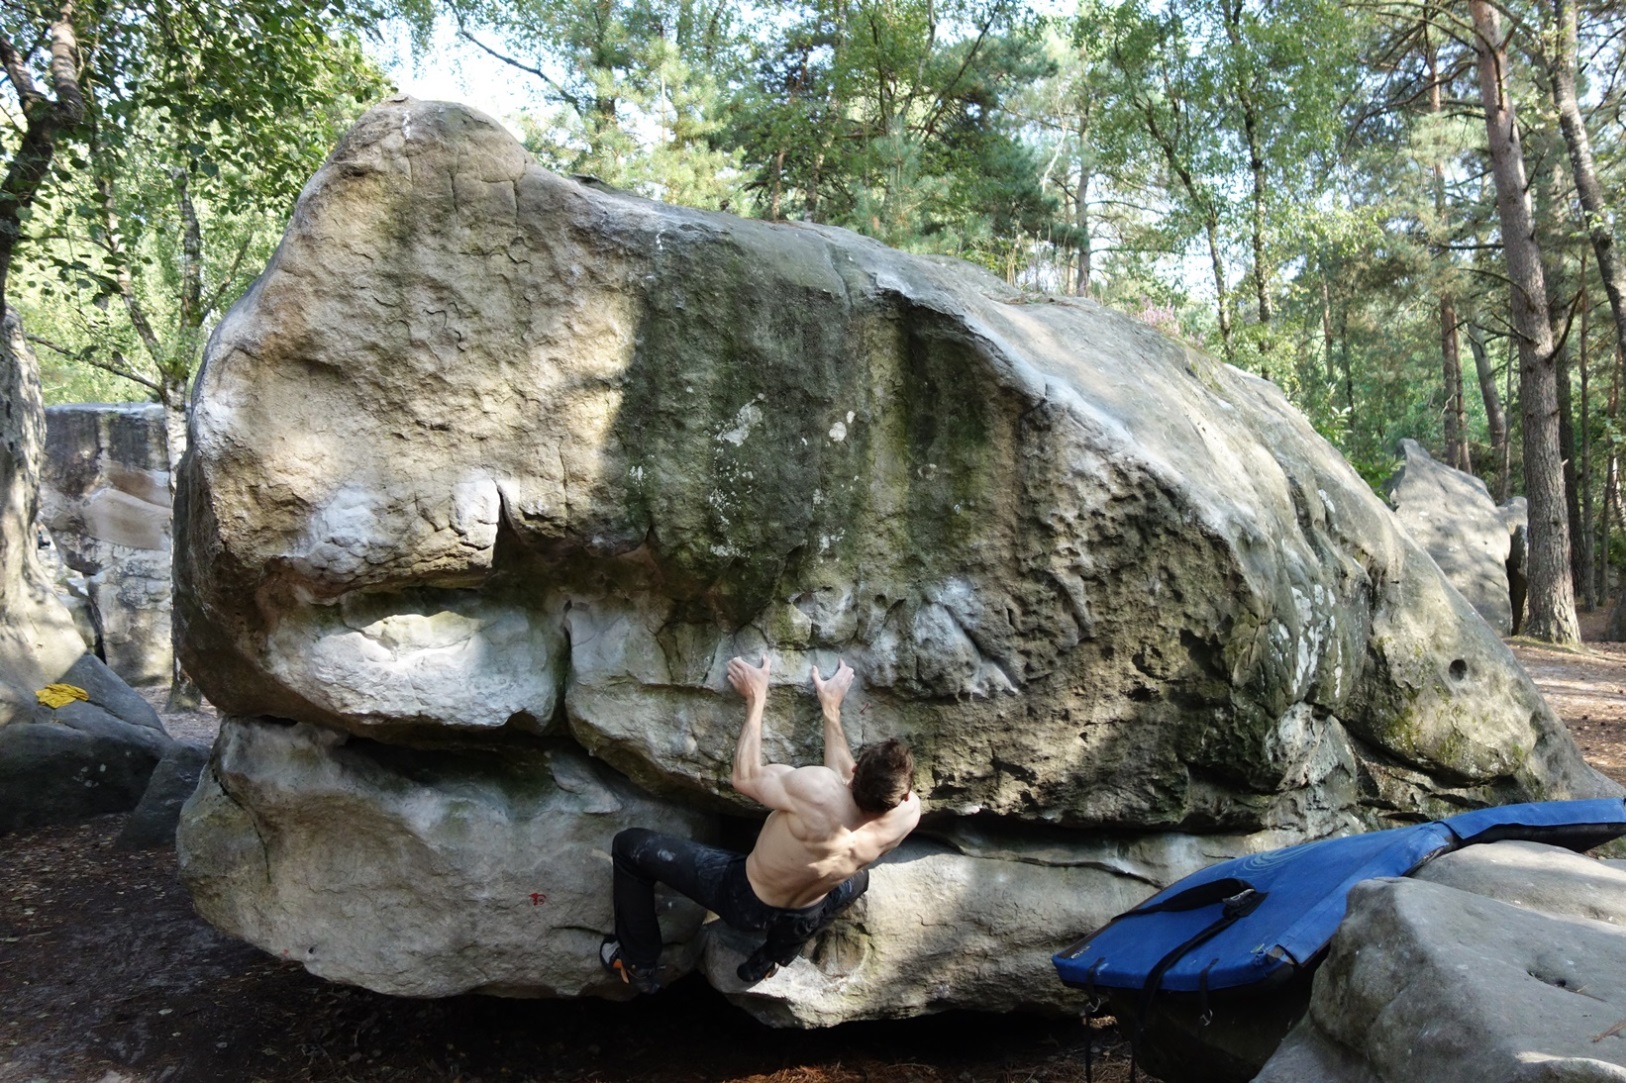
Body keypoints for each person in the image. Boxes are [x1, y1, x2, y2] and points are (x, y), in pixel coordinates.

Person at [601, 654, 922, 992]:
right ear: (901, 796)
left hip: (746, 902)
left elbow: (746, 777)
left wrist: (756, 697)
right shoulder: (907, 815)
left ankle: (638, 963)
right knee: (858, 880)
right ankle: (773, 956)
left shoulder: (817, 791)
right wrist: (830, 709)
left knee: (629, 847)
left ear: (856, 772)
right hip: (805, 913)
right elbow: (850, 788)